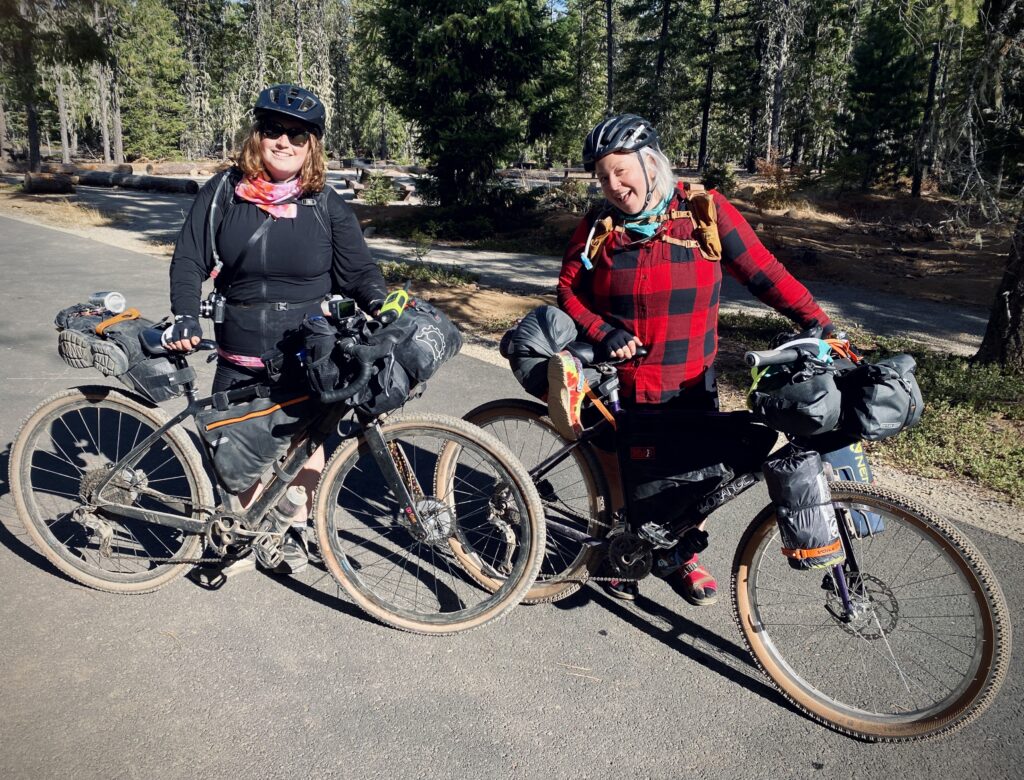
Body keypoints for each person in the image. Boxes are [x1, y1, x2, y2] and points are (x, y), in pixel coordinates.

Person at [548, 114, 832, 604]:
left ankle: (677, 555)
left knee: (698, 479)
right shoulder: (599, 226)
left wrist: (816, 320)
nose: (614, 186)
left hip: (688, 378)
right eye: (603, 177)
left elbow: (763, 271)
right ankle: (619, 550)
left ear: (649, 162)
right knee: (623, 476)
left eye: (621, 171)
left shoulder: (703, 213)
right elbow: (568, 290)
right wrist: (601, 330)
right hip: (621, 380)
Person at [166, 84, 387, 573]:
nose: (283, 141)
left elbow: (359, 271)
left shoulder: (323, 202)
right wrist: (184, 314)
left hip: (306, 347)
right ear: (257, 135)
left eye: (297, 134)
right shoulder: (224, 191)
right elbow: (189, 260)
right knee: (235, 443)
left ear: (313, 145)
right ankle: (251, 526)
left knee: (304, 440)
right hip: (239, 343)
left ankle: (294, 524)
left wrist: (382, 302)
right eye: (272, 130)